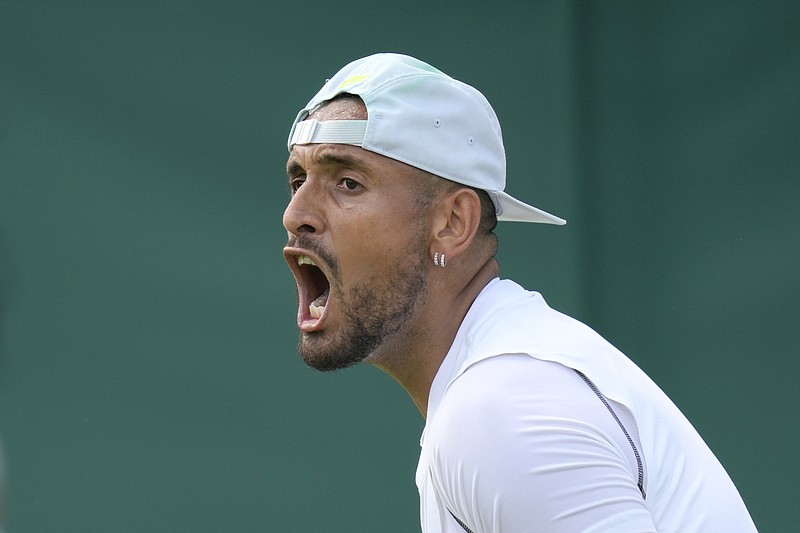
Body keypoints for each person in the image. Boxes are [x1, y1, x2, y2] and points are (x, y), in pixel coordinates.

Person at [281, 53, 757, 532]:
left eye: (348, 182)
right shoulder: (500, 387)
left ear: (452, 224)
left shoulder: (499, 408)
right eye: (297, 179)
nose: (295, 213)